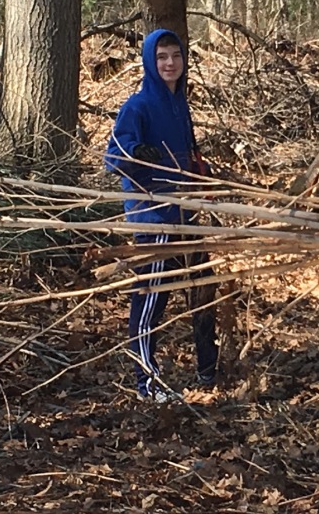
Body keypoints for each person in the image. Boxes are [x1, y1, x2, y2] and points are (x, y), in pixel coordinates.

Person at [104, 28, 218, 403]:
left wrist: (199, 173)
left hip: (186, 211)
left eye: (176, 56)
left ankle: (208, 370)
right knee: (152, 297)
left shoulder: (179, 103)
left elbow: (186, 152)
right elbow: (114, 156)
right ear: (150, 62)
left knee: (203, 285)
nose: (170, 64)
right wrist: (141, 153)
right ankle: (146, 383)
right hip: (153, 216)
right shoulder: (137, 106)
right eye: (162, 57)